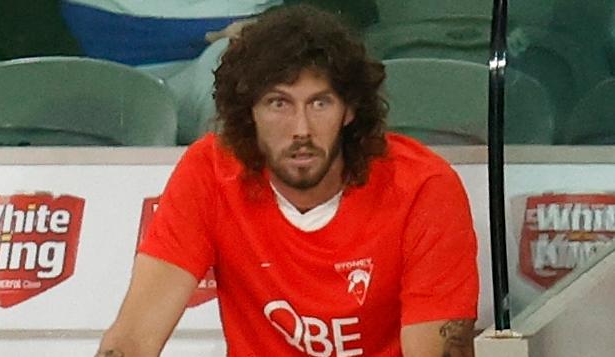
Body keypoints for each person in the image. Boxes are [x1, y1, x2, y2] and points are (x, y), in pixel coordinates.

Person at [97, 4, 479, 357]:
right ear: (249, 112)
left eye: (320, 103)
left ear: (349, 110)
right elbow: (132, 338)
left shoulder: (424, 187)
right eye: (279, 103)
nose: (302, 130)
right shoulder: (210, 171)